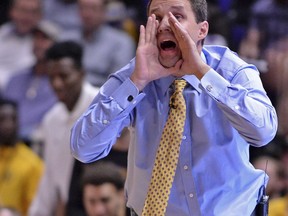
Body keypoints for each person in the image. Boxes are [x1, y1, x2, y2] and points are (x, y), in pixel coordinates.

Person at [70, 0, 278, 215]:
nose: (163, 25)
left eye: (177, 17)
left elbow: (263, 133)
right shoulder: (134, 74)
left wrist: (203, 74)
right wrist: (136, 83)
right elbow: (83, 148)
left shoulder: (232, 71)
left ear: (202, 30)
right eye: (156, 18)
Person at [28, 41, 99, 216]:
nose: (57, 84)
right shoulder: (51, 118)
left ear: (81, 74)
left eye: (64, 76)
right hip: (69, 207)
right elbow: (50, 176)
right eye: (51, 77)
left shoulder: (102, 107)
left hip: (101, 206)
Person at [3, 20, 59, 144]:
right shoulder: (15, 79)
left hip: (39, 144)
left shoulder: (59, 84)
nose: (39, 44)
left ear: (56, 45)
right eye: (36, 38)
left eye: (45, 39)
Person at [61, 0, 136, 87]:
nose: (87, 14)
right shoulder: (65, 39)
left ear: (104, 11)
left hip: (102, 95)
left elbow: (119, 81)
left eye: (93, 9)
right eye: (83, 8)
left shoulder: (122, 42)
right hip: (68, 93)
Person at [0, 98, 43, 216]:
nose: (8, 125)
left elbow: (36, 210)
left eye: (12, 119)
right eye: (2, 119)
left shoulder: (32, 164)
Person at [0, 0, 42, 91]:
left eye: (33, 12)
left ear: (40, 15)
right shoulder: (2, 33)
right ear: (12, 12)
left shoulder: (43, 41)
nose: (27, 17)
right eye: (23, 10)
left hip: (25, 94)